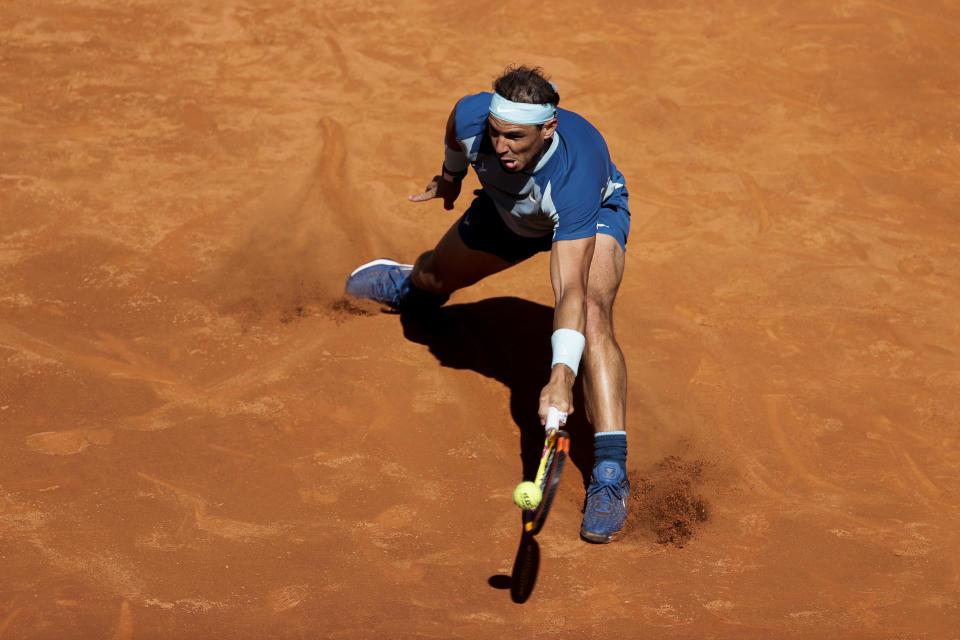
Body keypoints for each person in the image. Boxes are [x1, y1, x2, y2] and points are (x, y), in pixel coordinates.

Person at [345, 65, 631, 543]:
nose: (501, 147)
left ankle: (610, 473)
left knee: (595, 313)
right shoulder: (474, 116)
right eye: (496, 134)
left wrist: (561, 377)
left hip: (586, 217)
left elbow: (571, 290)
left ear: (548, 128)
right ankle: (409, 286)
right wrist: (451, 178)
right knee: (433, 278)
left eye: (516, 137)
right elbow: (456, 133)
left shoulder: (576, 178)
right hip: (509, 211)